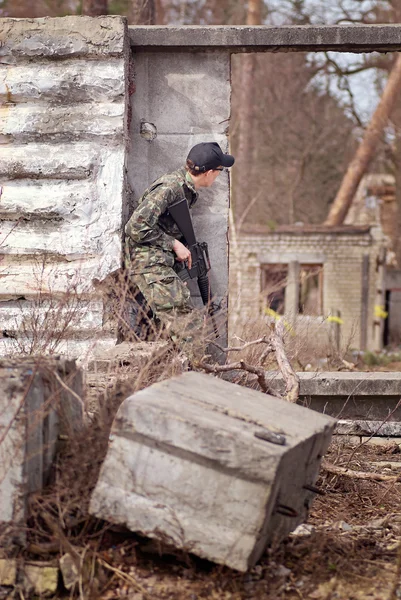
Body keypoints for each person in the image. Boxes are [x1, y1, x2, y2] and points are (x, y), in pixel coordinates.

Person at [124, 142, 235, 340]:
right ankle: (199, 368)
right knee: (189, 327)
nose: (219, 175)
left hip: (159, 261)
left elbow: (165, 226)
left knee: (158, 330)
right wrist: (174, 244)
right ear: (209, 172)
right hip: (147, 262)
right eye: (219, 170)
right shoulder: (170, 188)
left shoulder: (185, 190)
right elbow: (135, 228)